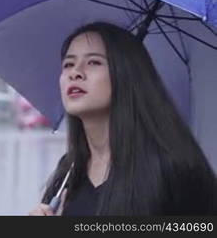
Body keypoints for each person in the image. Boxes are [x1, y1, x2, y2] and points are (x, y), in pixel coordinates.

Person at [29, 22, 217, 216]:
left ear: (125, 74)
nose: (74, 73)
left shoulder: (173, 169)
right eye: (68, 64)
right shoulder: (69, 171)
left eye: (94, 62)